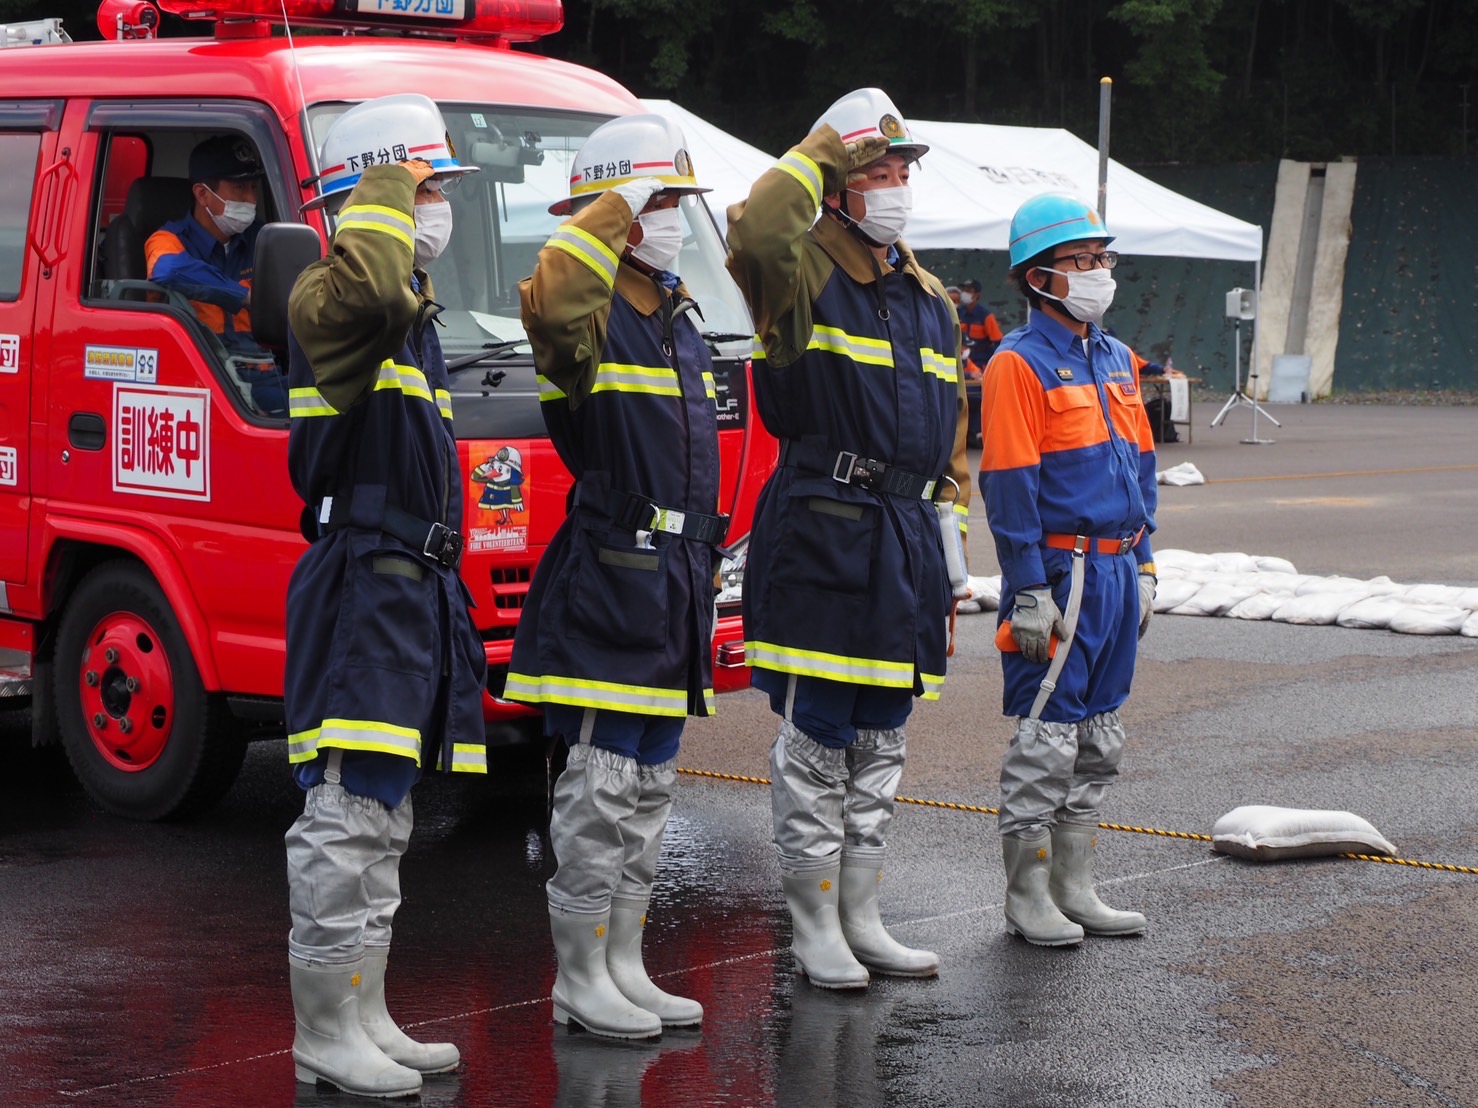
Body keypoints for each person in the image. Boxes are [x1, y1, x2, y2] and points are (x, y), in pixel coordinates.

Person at [726, 87, 970, 990]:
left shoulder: (929, 295)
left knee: (883, 736)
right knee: (819, 736)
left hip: (905, 536)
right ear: (837, 186)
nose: (897, 184)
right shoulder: (798, 273)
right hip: (825, 527)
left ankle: (862, 915)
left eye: (904, 170)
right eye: (879, 170)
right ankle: (814, 925)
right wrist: (824, 148)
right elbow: (754, 229)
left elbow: (951, 433)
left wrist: (951, 531)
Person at [281, 93, 487, 1097]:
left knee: (386, 812)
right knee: (347, 808)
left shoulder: (408, 313)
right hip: (362, 581)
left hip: (409, 586)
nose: (437, 207)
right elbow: (367, 278)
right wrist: (385, 193)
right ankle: (323, 1031)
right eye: (424, 186)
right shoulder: (336, 294)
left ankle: (362, 1010)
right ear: (374, 195)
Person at [503, 113, 724, 1040]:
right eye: (658, 201)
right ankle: (579, 976)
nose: (672, 217)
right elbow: (552, 290)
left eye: (675, 200)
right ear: (621, 215)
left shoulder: (676, 314)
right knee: (597, 789)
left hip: (675, 581)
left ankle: (623, 963)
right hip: (609, 577)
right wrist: (613, 203)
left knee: (648, 787)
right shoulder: (585, 320)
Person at [978, 192, 1158, 948]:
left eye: (1102, 257)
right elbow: (1007, 483)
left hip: (1116, 569)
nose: (1097, 271)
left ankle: (1073, 887)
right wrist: (1027, 587)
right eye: (1081, 260)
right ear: (1038, 277)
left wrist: (1146, 560)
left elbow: (1142, 465)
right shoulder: (1016, 363)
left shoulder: (1117, 357)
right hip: (1062, 571)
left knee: (1099, 736)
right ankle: (1028, 896)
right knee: (1047, 737)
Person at [145, 134, 284, 414]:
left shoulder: (264, 239)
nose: (250, 199)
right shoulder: (168, 239)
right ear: (202, 194)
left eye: (253, 187)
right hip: (201, 378)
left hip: (265, 375)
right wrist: (243, 296)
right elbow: (167, 270)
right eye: (239, 188)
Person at [957, 278, 1002, 448]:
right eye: (964, 289)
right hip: (962, 364)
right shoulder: (958, 313)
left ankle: (975, 433)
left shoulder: (985, 316)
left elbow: (997, 342)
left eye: (969, 290)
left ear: (977, 295)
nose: (965, 293)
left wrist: (992, 367)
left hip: (980, 368)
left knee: (979, 399)